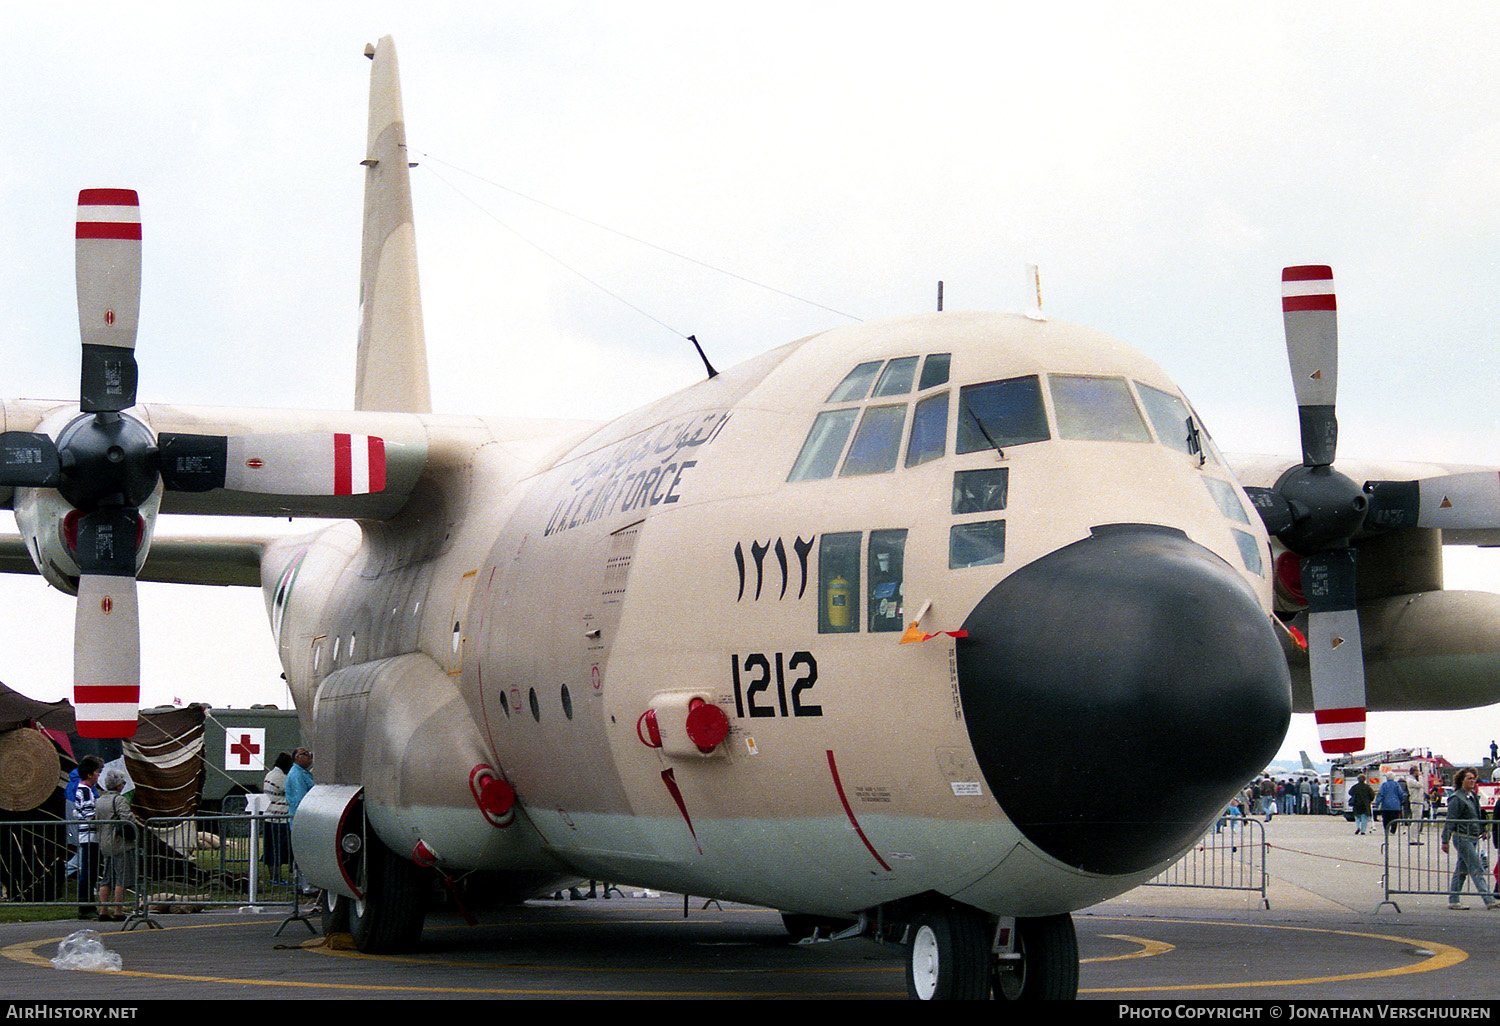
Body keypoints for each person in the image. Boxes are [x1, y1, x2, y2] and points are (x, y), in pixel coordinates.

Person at [1440, 767, 1500, 910]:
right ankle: (1489, 900)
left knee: (1461, 869)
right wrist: (1445, 840)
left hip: (1473, 837)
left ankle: (1453, 900)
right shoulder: (1456, 798)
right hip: (1462, 837)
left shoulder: (1472, 795)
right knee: (1476, 867)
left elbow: (1477, 815)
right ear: (1462, 780)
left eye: (1474, 778)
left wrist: (1483, 829)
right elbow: (1451, 820)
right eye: (1469, 778)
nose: (1472, 781)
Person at [94, 770, 139, 922]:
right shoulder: (119, 800)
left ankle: (103, 910)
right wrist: (133, 818)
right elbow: (126, 818)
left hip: (105, 843)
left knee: (106, 878)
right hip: (120, 844)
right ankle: (118, 911)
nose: (123, 785)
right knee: (121, 878)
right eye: (122, 782)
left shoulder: (99, 800)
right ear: (118, 785)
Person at [74, 756, 103, 919]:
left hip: (90, 836)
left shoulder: (87, 791)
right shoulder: (85, 792)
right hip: (89, 836)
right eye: (97, 772)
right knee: (88, 872)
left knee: (90, 872)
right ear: (90, 774)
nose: (99, 775)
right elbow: (90, 815)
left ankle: (88, 904)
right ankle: (85, 906)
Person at [285, 748, 315, 894]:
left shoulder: (303, 773)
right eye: (305, 754)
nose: (309, 756)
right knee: (304, 853)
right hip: (301, 820)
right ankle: (306, 885)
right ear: (297, 758)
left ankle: (301, 884)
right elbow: (301, 799)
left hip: (303, 820)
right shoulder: (297, 775)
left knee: (301, 853)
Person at [262, 752, 293, 883]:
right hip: (279, 818)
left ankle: (274, 876)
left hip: (270, 817)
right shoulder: (280, 777)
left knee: (272, 849)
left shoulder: (270, 774)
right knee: (278, 850)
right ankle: (276, 877)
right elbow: (291, 789)